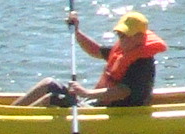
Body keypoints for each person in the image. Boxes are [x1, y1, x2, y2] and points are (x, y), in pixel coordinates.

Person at [15, 11, 166, 108]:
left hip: (118, 114)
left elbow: (122, 92)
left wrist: (86, 93)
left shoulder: (142, 63)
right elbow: (95, 50)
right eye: (119, 35)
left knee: (53, 99)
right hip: (97, 104)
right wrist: (77, 32)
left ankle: (15, 124)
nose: (121, 39)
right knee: (48, 84)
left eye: (125, 36)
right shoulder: (123, 49)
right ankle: (11, 113)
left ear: (140, 37)